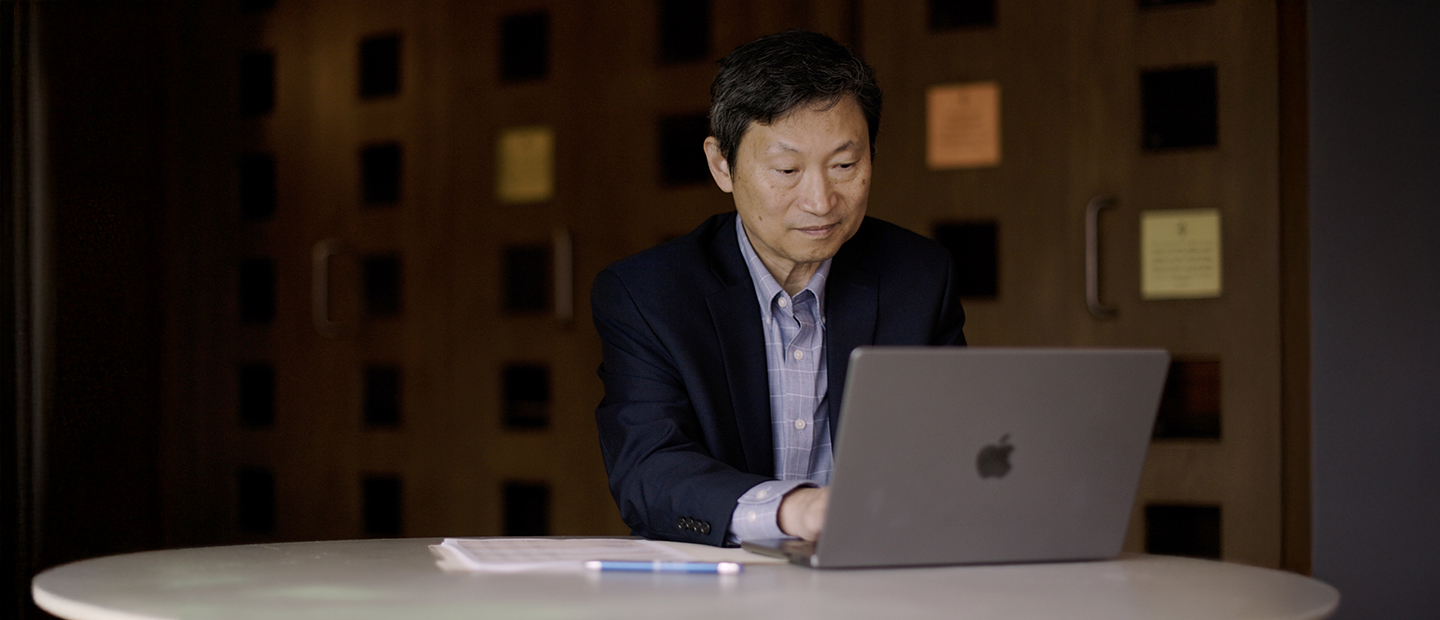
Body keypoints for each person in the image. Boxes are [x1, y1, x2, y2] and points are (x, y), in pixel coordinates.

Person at [591, 29, 966, 546]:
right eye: (787, 169)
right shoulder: (647, 294)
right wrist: (795, 509)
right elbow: (650, 470)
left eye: (845, 165)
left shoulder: (919, 276)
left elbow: (956, 449)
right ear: (722, 165)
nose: (820, 200)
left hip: (879, 571)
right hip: (716, 581)